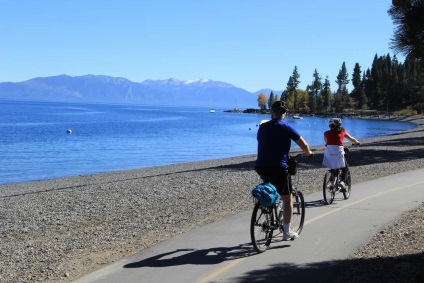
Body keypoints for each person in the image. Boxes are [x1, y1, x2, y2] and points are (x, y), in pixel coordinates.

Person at [255, 100, 313, 241]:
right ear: (284, 114)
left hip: (261, 166)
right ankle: (286, 232)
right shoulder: (286, 127)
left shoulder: (262, 127)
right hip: (278, 168)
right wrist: (308, 152)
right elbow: (303, 144)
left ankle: (267, 211)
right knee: (287, 200)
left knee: (270, 188)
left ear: (272, 112)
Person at [322, 118, 360, 191]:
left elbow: (326, 142)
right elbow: (351, 139)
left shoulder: (326, 133)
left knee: (333, 166)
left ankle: (331, 180)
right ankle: (342, 182)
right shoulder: (342, 132)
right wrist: (356, 142)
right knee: (345, 167)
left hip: (329, 154)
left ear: (330, 126)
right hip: (338, 153)